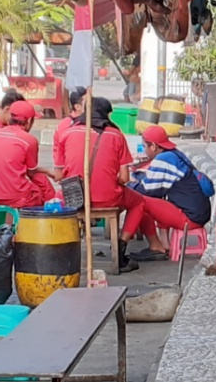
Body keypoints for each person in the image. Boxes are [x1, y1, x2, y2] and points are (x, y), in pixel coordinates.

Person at [57, 97, 163, 273]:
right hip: (107, 197)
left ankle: (65, 251)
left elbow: (60, 175)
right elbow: (124, 177)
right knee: (138, 203)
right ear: (107, 115)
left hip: (74, 198)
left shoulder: (67, 133)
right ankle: (120, 248)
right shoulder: (116, 134)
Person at [127, 126, 213, 261]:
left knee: (140, 201)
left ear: (154, 146)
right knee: (160, 200)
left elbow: (147, 190)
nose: (145, 150)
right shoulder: (175, 154)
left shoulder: (163, 159)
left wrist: (130, 183)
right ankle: (164, 243)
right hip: (200, 213)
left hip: (190, 218)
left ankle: (154, 247)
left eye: (145, 146)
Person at [0, 100, 57, 209]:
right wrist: (47, 172)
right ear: (29, 121)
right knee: (41, 183)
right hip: (15, 196)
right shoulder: (29, 140)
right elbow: (31, 173)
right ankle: (50, 214)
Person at [53, 87, 87, 169]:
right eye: (88, 103)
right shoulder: (65, 126)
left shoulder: (92, 122)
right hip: (70, 172)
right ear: (78, 107)